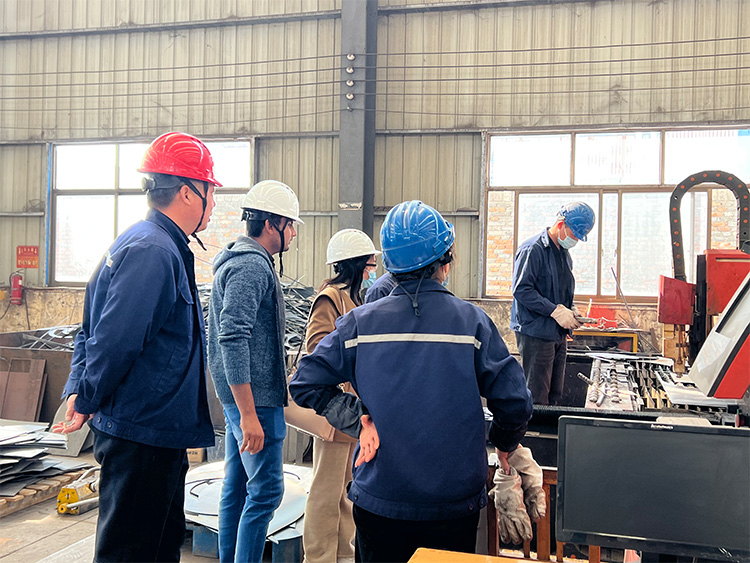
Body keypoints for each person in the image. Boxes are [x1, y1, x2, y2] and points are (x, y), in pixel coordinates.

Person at [290, 200, 535, 563]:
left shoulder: (359, 325)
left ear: (390, 264)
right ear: (444, 260)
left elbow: (303, 383)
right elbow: (515, 402)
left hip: (380, 500)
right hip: (453, 505)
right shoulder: (472, 324)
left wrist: (358, 419)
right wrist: (503, 442)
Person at [52, 132, 219, 562]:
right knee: (130, 552)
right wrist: (85, 396)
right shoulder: (153, 251)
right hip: (142, 432)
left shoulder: (149, 242)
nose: (214, 203)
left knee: (158, 546)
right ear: (188, 192)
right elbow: (114, 340)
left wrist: (80, 388)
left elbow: (91, 329)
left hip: (155, 431)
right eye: (210, 191)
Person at [207, 179, 303, 563]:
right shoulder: (250, 266)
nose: (293, 233)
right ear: (270, 224)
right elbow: (233, 337)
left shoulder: (244, 260)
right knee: (265, 493)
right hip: (254, 401)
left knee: (236, 487)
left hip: (243, 397)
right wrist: (248, 414)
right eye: (290, 225)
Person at [302, 228, 381, 563]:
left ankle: (343, 555)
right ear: (356, 264)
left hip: (352, 410)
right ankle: (319, 557)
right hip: (335, 409)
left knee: (347, 489)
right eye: (369, 264)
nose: (373, 270)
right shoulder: (330, 298)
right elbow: (316, 349)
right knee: (326, 490)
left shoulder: (355, 299)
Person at [510, 201, 596, 405]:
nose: (575, 240)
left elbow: (561, 289)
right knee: (537, 395)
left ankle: (550, 426)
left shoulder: (563, 254)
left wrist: (571, 309)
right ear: (560, 224)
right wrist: (555, 311)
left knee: (555, 394)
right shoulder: (532, 249)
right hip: (536, 334)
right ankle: (533, 426)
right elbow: (521, 290)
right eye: (574, 234)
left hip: (557, 333)